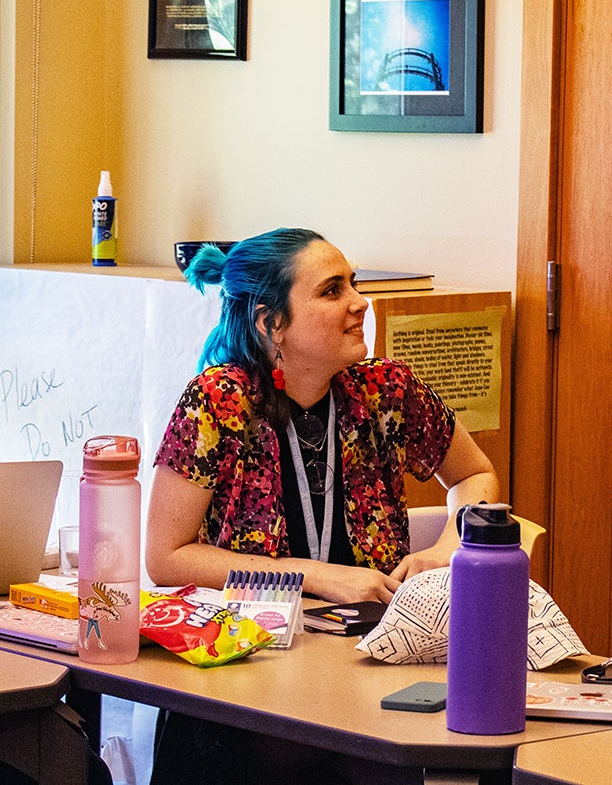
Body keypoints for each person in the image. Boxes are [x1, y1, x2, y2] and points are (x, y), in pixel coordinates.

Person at [147, 226, 500, 602]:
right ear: (271, 324)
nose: (360, 302)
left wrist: (447, 550)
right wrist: (315, 577)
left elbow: (475, 474)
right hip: (255, 640)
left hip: (377, 633)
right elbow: (166, 558)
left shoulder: (387, 389)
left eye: (353, 283)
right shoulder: (217, 400)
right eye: (332, 290)